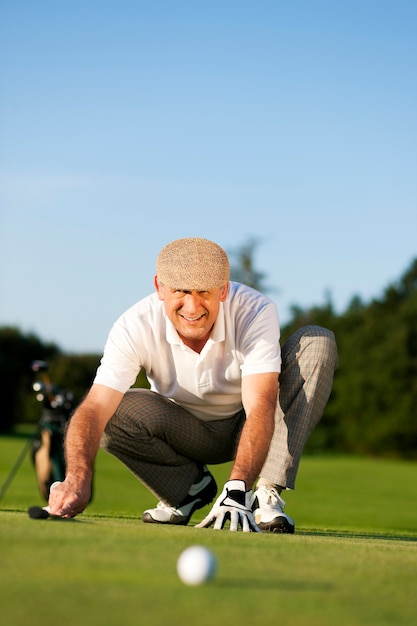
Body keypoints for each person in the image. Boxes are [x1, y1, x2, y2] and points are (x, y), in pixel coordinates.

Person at [48, 237, 338, 532]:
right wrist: (76, 478)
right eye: (181, 291)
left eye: (204, 292)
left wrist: (238, 486)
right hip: (184, 432)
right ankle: (187, 491)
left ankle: (263, 493)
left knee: (317, 341)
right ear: (159, 287)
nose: (192, 306)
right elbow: (95, 407)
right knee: (110, 412)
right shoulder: (134, 324)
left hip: (249, 424)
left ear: (223, 290)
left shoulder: (255, 310)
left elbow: (262, 403)